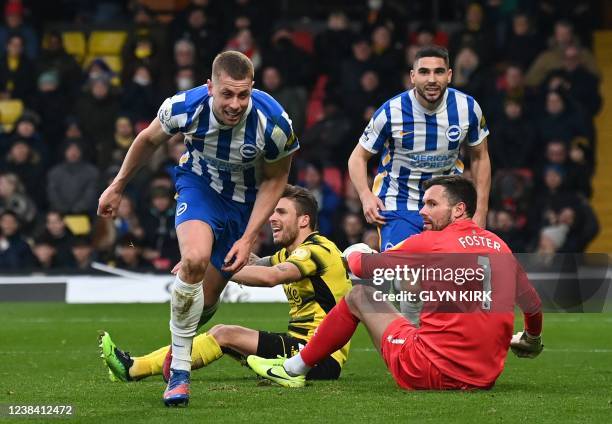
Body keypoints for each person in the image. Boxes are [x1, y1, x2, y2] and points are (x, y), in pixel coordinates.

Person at [97, 51, 298, 407]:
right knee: (194, 259)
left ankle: (179, 345)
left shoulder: (275, 122)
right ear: (210, 87)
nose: (235, 104)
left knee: (207, 298)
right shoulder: (184, 107)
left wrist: (250, 235)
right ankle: (180, 374)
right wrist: (118, 185)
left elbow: (277, 177)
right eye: (226, 94)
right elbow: (147, 139)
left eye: (242, 94)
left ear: (252, 88)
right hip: (199, 187)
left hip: (244, 205)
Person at [248, 176, 544, 390]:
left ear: (458, 210)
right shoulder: (499, 246)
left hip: (430, 372)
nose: (422, 212)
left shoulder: (431, 242)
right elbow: (532, 305)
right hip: (484, 378)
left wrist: (355, 252)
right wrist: (531, 340)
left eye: (431, 204)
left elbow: (362, 266)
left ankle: (292, 369)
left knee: (359, 296)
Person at [99, 185, 350, 383]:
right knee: (222, 337)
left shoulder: (318, 249)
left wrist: (217, 266)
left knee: (224, 334)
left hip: (319, 356)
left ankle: (135, 368)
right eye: (272, 211)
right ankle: (135, 367)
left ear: (304, 220)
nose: (271, 218)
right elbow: (253, 263)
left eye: (281, 212)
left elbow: (271, 276)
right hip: (301, 347)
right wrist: (207, 251)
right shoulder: (289, 254)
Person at [348, 46, 491, 252]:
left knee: (448, 275)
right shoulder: (391, 112)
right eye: (424, 72)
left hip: (447, 204)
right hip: (399, 204)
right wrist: (365, 195)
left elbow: (480, 158)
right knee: (402, 275)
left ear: (449, 75)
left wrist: (481, 210)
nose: (432, 79)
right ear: (413, 77)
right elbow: (357, 157)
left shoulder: (468, 108)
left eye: (439, 72)